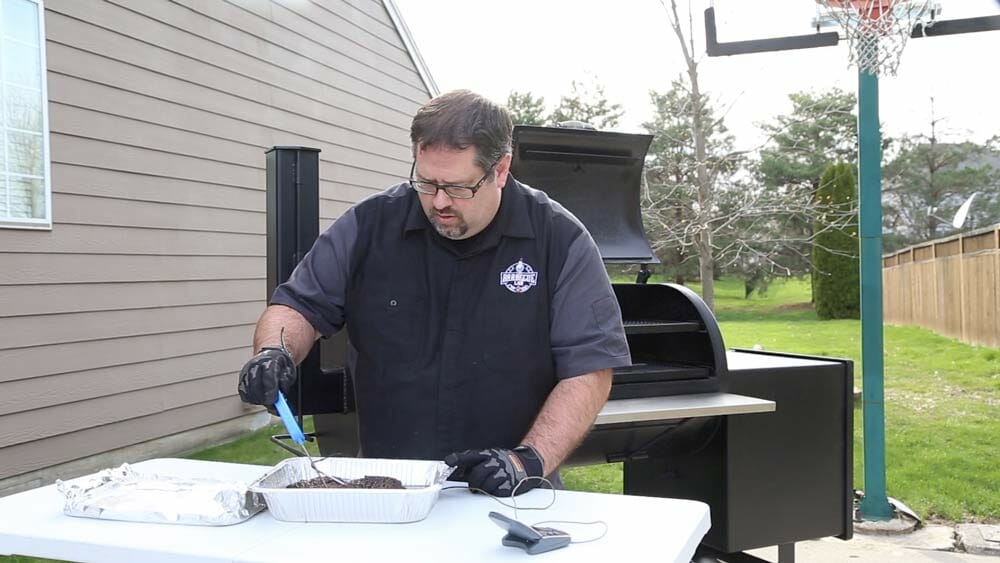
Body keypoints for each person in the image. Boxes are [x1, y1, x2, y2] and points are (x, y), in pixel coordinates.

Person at [238, 90, 630, 497]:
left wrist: (526, 460)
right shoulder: (369, 226)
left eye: (458, 188)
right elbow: (297, 306)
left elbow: (590, 369)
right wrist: (274, 352)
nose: (439, 202)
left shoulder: (558, 239)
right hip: (389, 488)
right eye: (426, 182)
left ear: (500, 169)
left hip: (513, 491)